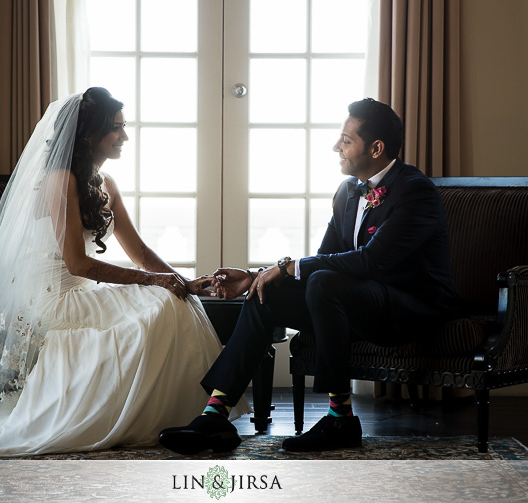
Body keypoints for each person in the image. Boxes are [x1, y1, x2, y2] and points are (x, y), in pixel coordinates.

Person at [0, 87, 248, 457]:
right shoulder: (61, 181)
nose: (124, 136)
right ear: (90, 135)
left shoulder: (105, 184)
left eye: (124, 127)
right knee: (163, 301)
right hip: (52, 299)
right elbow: (78, 264)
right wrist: (155, 281)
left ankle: (194, 418)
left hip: (79, 291)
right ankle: (148, 416)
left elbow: (138, 251)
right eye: (116, 129)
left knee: (178, 300)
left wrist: (184, 282)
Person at [158, 98, 458, 454]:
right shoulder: (348, 192)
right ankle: (215, 416)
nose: (336, 147)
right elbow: (324, 259)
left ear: (376, 148)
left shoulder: (415, 190)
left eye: (346, 140)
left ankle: (340, 419)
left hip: (410, 307)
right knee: (266, 291)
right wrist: (259, 275)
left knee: (322, 280)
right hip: (359, 302)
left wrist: (286, 267)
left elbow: (370, 261)